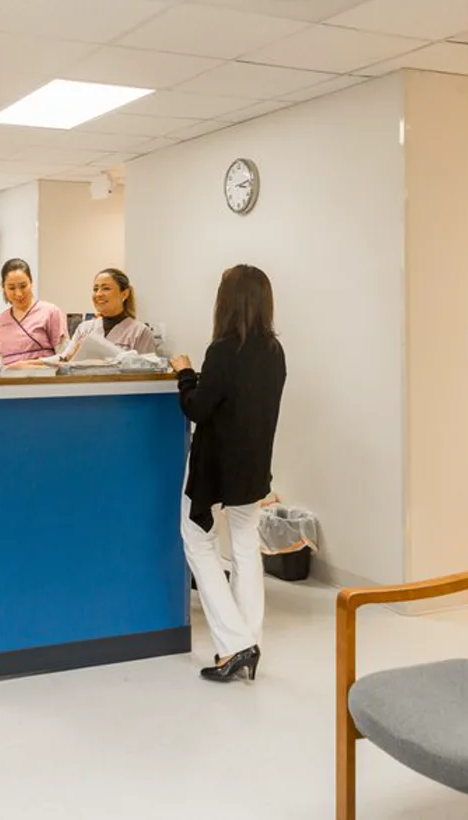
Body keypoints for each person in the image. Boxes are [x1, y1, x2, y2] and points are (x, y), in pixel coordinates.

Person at [170, 265, 286, 684]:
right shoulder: (274, 350)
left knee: (197, 541)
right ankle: (248, 640)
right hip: (253, 465)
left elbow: (198, 408)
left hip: (216, 463)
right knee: (245, 545)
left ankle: (235, 644)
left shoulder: (222, 350)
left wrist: (185, 374)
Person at [58, 268, 156, 360]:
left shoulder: (140, 332)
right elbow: (64, 359)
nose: (99, 294)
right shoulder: (84, 329)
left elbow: (148, 369)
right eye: (95, 289)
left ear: (125, 294)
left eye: (106, 288)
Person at [0, 259, 68, 365]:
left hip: (42, 374)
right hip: (7, 375)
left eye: (23, 286)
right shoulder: (0, 321)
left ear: (31, 283)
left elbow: (65, 357)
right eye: (11, 288)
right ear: (3, 287)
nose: (18, 293)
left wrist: (31, 364)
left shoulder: (50, 312)